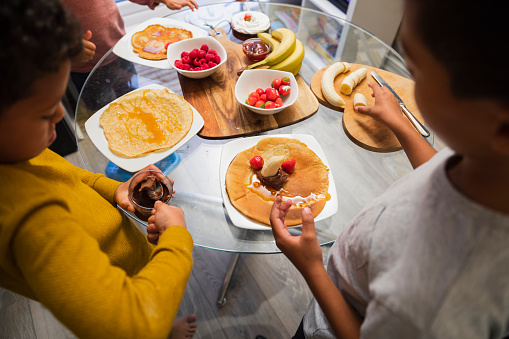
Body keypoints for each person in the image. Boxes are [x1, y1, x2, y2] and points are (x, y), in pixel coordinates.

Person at [270, 0, 509, 338]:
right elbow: (437, 170)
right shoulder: (487, 163)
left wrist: (313, 270)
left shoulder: (432, 300)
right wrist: (402, 123)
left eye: (417, 71)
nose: (407, 80)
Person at [0, 1, 196, 338]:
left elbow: (66, 176)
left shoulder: (16, 153)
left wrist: (113, 189)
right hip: (123, 290)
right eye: (46, 112)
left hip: (128, 260)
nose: (61, 117)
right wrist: (178, 239)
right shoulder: (31, 224)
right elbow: (133, 324)